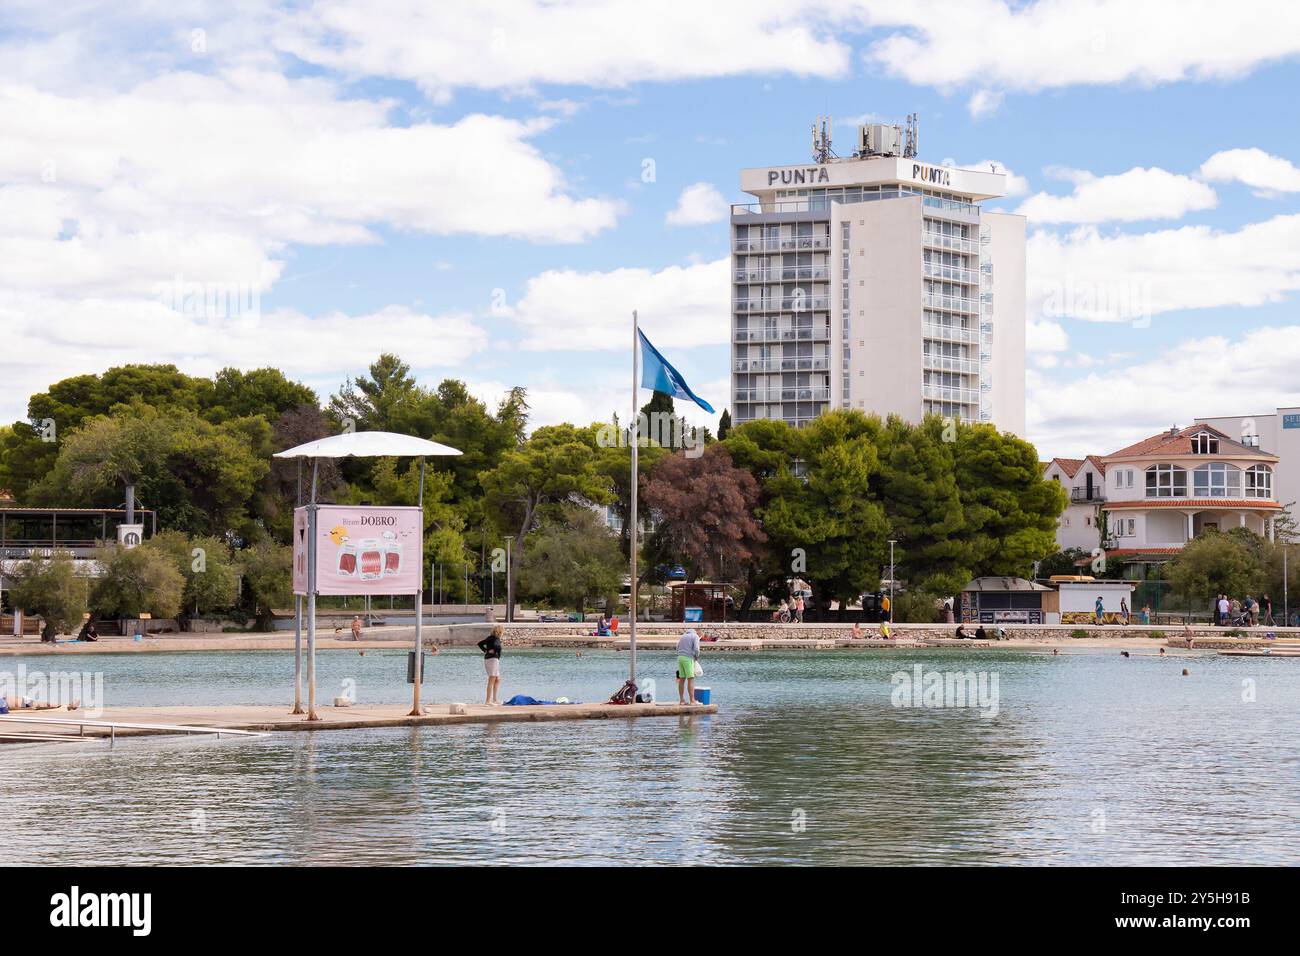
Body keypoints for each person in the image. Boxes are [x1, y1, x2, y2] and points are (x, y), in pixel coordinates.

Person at [476, 625, 503, 706]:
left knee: (498, 679)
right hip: (493, 660)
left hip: (489, 659)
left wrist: (486, 650)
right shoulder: (496, 639)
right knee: (491, 679)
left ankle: (494, 700)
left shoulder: (489, 638)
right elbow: (496, 646)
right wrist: (495, 652)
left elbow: (479, 644)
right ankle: (488, 701)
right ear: (500, 632)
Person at [675, 627, 701, 704]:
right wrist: (696, 657)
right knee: (691, 678)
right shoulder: (695, 636)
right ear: (696, 632)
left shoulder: (683, 636)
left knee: (682, 679)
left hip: (680, 658)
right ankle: (692, 700)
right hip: (688, 658)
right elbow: (696, 648)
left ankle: (681, 700)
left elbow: (677, 647)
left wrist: (680, 654)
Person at [1, 695, 78, 712]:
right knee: (44, 705)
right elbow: (7, 709)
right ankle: (68, 706)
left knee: (45, 704)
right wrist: (27, 709)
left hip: (22, 701)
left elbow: (7, 709)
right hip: (21, 702)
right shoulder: (3, 705)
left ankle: (68, 706)